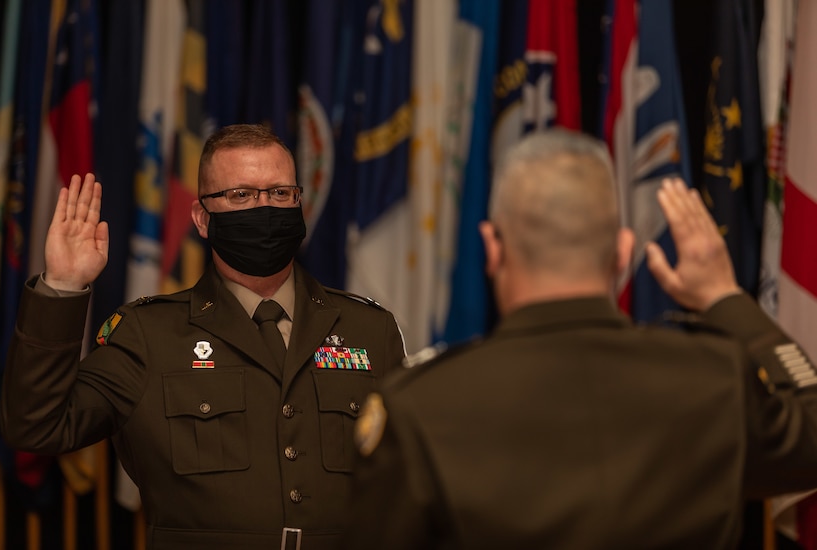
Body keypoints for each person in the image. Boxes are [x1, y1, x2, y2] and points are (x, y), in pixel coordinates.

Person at [344, 129, 817, 549]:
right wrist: (724, 297)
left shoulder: (421, 408)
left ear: (492, 248)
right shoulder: (716, 379)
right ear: (623, 252)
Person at [0, 124, 406, 549]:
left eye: (279, 193)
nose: (264, 207)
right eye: (241, 195)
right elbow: (37, 427)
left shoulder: (368, 329)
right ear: (202, 218)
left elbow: (412, 477)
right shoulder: (147, 335)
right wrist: (61, 287)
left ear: (299, 202)